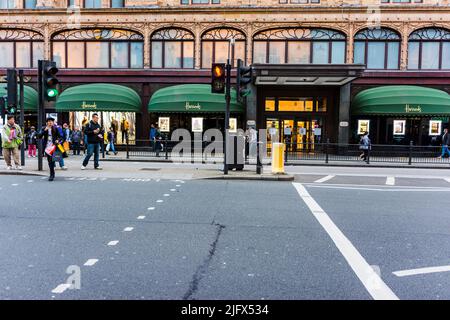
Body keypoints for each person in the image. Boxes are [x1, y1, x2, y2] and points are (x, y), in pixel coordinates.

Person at [37, 117, 63, 181]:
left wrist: (58, 140)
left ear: (53, 122)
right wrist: (44, 130)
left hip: (54, 146)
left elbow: (61, 137)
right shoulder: (43, 128)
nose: (50, 123)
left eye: (51, 121)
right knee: (50, 161)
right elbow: (39, 136)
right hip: (47, 147)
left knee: (52, 160)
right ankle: (52, 173)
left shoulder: (56, 129)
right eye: (48, 121)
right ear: (47, 123)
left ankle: (52, 174)